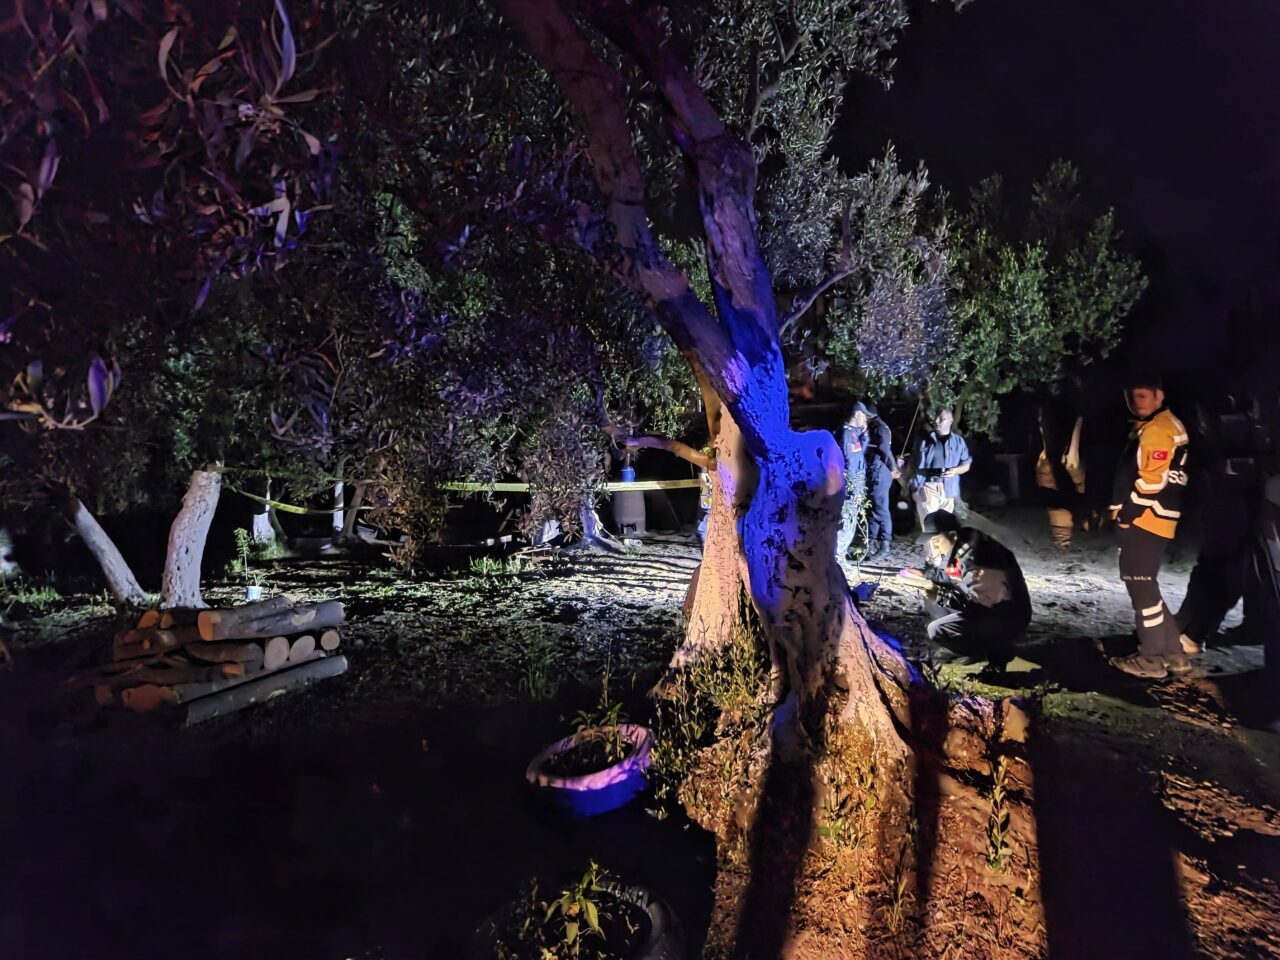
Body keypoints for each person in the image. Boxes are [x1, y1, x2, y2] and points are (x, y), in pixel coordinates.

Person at [1108, 371, 1192, 679]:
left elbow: (1151, 481)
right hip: (1157, 519)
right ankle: (1174, 654)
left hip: (1147, 520)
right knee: (1148, 587)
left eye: (1144, 395)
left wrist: (1127, 516)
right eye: (1132, 396)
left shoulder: (1157, 429)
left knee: (1141, 589)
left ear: (1160, 396)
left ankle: (1151, 659)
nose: (1137, 401)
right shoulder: (1162, 424)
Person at [900, 510, 1031, 672]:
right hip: (991, 605)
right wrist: (924, 574)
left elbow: (979, 605)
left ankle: (996, 653)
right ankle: (981, 647)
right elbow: (949, 574)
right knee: (938, 603)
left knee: (937, 629)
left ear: (952, 535)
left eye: (937, 541)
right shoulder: (962, 544)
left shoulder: (977, 558)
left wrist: (940, 595)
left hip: (1007, 615)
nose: (935, 548)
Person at [908, 408, 972, 526]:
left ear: (950, 421)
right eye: (936, 417)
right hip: (928, 486)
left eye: (941, 419)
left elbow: (966, 464)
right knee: (929, 526)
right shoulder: (924, 440)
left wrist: (955, 470)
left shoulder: (958, 442)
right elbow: (913, 462)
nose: (937, 421)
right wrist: (914, 487)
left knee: (945, 527)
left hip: (949, 490)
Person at [836, 403, 870, 559]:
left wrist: (864, 435)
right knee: (846, 522)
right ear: (857, 414)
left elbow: (859, 455)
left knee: (851, 521)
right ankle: (838, 557)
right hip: (850, 488)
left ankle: (840, 556)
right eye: (864, 415)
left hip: (855, 485)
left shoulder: (853, 434)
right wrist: (855, 490)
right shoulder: (847, 434)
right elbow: (850, 464)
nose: (865, 419)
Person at [864, 404, 898, 560]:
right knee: (873, 508)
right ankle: (869, 544)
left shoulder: (879, 428)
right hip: (875, 471)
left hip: (880, 472)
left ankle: (885, 545)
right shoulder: (875, 426)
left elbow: (885, 449)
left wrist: (893, 467)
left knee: (881, 509)